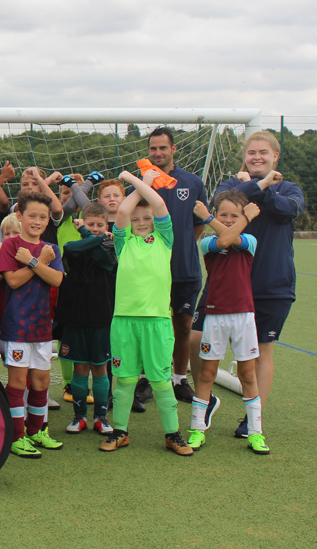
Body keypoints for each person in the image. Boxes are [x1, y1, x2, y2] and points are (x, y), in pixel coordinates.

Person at [203, 130, 304, 438]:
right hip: (226, 285)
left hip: (271, 285)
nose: (257, 157)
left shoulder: (290, 189)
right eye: (251, 153)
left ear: (275, 157)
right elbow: (219, 203)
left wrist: (260, 189)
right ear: (244, 157)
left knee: (262, 351)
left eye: (263, 152)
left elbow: (286, 210)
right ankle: (203, 402)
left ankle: (252, 419)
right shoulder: (232, 185)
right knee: (197, 341)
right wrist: (256, 185)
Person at [100, 171, 192, 456]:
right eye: (137, 220)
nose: (140, 223)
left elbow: (161, 206)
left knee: (161, 380)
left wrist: (144, 183)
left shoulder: (164, 240)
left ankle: (173, 434)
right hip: (124, 321)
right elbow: (124, 209)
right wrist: (138, 182)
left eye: (147, 218)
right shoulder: (123, 242)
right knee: (125, 379)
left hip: (158, 321)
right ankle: (120, 432)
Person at [188, 193, 269, 454]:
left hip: (244, 316)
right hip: (215, 315)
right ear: (216, 214)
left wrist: (210, 218)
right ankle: (197, 429)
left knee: (247, 375)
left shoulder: (251, 240)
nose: (229, 219)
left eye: (236, 215)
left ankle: (256, 433)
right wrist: (244, 217)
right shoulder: (209, 242)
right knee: (207, 374)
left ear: (244, 217)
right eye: (224, 214)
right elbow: (223, 239)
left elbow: (231, 238)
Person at [143, 127, 209, 404]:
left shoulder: (192, 183)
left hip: (184, 270)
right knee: (149, 326)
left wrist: (178, 247)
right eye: (153, 148)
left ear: (173, 149)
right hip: (149, 272)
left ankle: (179, 379)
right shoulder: (142, 182)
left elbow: (198, 226)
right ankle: (146, 380)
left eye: (163, 148)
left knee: (182, 325)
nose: (158, 153)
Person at [0, 192, 65, 458]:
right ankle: (17, 436)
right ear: (19, 217)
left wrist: (36, 261)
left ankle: (37, 430)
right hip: (17, 326)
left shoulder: (51, 249)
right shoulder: (11, 246)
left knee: (41, 380)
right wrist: (40, 263)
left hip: (42, 326)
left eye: (43, 217)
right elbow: (12, 281)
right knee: (17, 382)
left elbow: (57, 280)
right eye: (32, 216)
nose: (37, 221)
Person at [57, 204, 116, 435]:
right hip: (75, 315)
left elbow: (105, 260)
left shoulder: (110, 248)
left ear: (107, 226)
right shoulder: (75, 245)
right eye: (90, 224)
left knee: (100, 367)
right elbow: (72, 249)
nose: (95, 228)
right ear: (81, 224)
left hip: (102, 316)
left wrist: (95, 238)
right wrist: (90, 235)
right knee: (80, 368)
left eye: (100, 225)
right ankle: (79, 416)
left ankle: (101, 418)